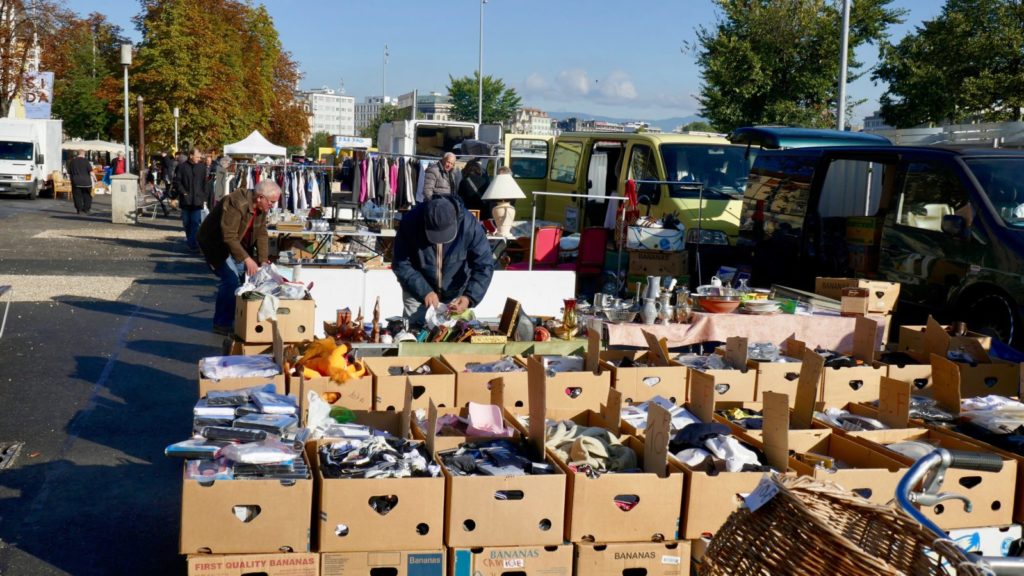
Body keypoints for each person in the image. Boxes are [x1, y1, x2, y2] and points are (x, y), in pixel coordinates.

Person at [392, 194, 494, 328]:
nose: (439, 240)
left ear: (455, 222)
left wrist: (469, 297)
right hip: (417, 292)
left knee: (453, 341)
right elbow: (401, 263)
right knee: (414, 335)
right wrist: (424, 291)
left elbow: (484, 265)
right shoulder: (410, 222)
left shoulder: (469, 225)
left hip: (456, 296)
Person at [198, 179, 281, 335]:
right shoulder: (236, 202)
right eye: (271, 202)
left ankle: (240, 317)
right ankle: (222, 323)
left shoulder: (261, 208)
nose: (273, 205)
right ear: (260, 197)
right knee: (230, 280)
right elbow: (228, 236)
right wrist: (247, 259)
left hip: (236, 244)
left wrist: (262, 259)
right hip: (215, 243)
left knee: (246, 279)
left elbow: (262, 233)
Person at [173, 147, 210, 253]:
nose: (199, 158)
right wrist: (183, 192)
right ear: (191, 156)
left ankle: (192, 244)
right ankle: (191, 241)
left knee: (195, 222)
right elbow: (177, 181)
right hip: (185, 200)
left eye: (199, 157)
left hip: (197, 200)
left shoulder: (202, 167)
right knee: (186, 223)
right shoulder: (182, 167)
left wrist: (204, 197)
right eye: (197, 156)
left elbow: (204, 183)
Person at [67, 149, 93, 215]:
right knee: (87, 196)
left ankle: (79, 209)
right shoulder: (86, 161)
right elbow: (91, 171)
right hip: (86, 182)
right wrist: (95, 179)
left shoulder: (72, 161)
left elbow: (69, 172)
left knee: (77, 196)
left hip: (76, 181)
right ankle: (86, 209)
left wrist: (71, 180)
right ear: (83, 154)